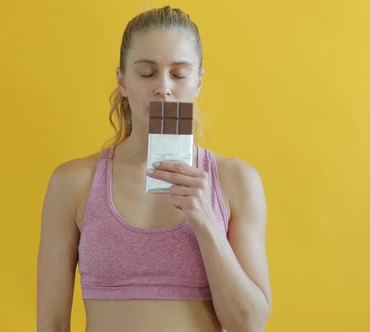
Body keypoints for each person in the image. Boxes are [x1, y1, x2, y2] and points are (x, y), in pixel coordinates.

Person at [37, 6, 271, 332]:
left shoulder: (236, 181)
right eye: (146, 73)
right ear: (123, 81)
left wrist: (206, 221)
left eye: (178, 74)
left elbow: (251, 324)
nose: (163, 87)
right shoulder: (74, 183)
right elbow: (51, 323)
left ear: (198, 83)